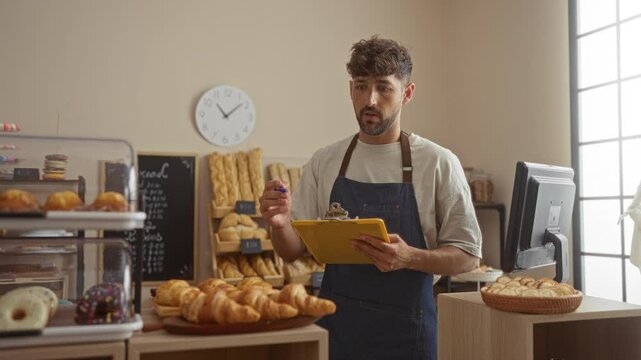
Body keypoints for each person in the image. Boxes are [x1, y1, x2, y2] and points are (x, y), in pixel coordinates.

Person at [259, 35, 482, 360]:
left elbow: (468, 255)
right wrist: (279, 225)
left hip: (407, 335)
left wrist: (410, 257)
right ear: (351, 90)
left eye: (384, 87)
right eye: (361, 86)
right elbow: (292, 252)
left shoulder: (437, 162)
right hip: (340, 330)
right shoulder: (326, 160)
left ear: (407, 93)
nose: (370, 99)